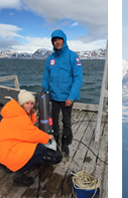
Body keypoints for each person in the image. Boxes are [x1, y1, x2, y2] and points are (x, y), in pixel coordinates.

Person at [0, 90, 56, 186]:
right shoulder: (20, 117)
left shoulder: (15, 111)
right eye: (27, 103)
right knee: (40, 149)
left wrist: (33, 117)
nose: (30, 106)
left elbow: (24, 127)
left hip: (1, 150)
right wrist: (48, 137)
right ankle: (19, 174)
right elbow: (32, 134)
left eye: (31, 104)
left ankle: (7, 166)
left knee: (32, 146)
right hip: (7, 152)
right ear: (22, 103)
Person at [41, 29, 83, 158]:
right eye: (54, 40)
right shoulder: (50, 59)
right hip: (53, 97)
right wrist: (44, 94)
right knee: (53, 122)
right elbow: (46, 77)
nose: (57, 42)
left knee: (66, 121)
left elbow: (78, 78)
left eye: (59, 39)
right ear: (52, 42)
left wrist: (71, 97)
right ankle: (55, 145)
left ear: (64, 40)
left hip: (67, 98)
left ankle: (65, 145)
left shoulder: (72, 56)